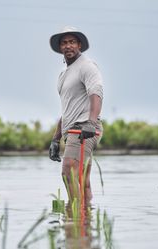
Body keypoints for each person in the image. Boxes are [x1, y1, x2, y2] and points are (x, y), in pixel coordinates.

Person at [48, 26, 103, 202]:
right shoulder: (64, 75)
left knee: (68, 172)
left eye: (72, 42)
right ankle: (86, 222)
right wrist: (56, 139)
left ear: (79, 45)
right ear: (60, 48)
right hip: (72, 130)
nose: (68, 46)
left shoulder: (86, 66)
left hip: (83, 129)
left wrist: (91, 123)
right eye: (64, 43)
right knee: (82, 180)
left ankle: (73, 221)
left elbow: (96, 93)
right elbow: (67, 110)